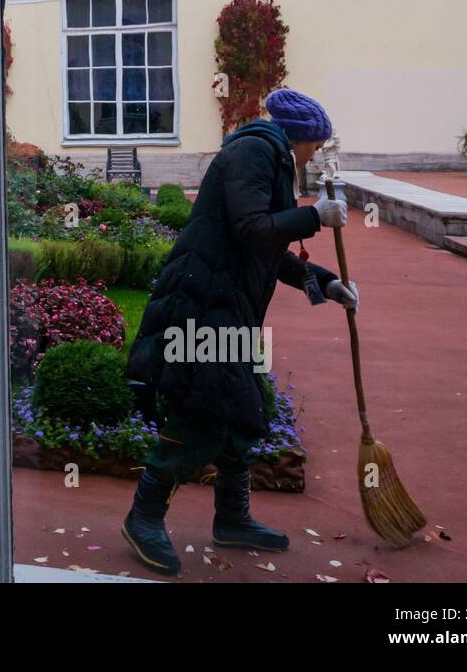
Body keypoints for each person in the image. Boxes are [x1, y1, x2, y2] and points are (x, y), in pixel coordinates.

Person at [121, 88, 358, 576]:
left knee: (243, 408)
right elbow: (255, 229)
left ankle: (231, 517)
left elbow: (263, 250)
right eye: (317, 143)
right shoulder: (254, 151)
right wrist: (314, 216)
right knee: (202, 408)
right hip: (203, 304)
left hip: (229, 305)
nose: (317, 153)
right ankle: (142, 515)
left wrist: (326, 284)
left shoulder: (270, 155)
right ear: (300, 136)